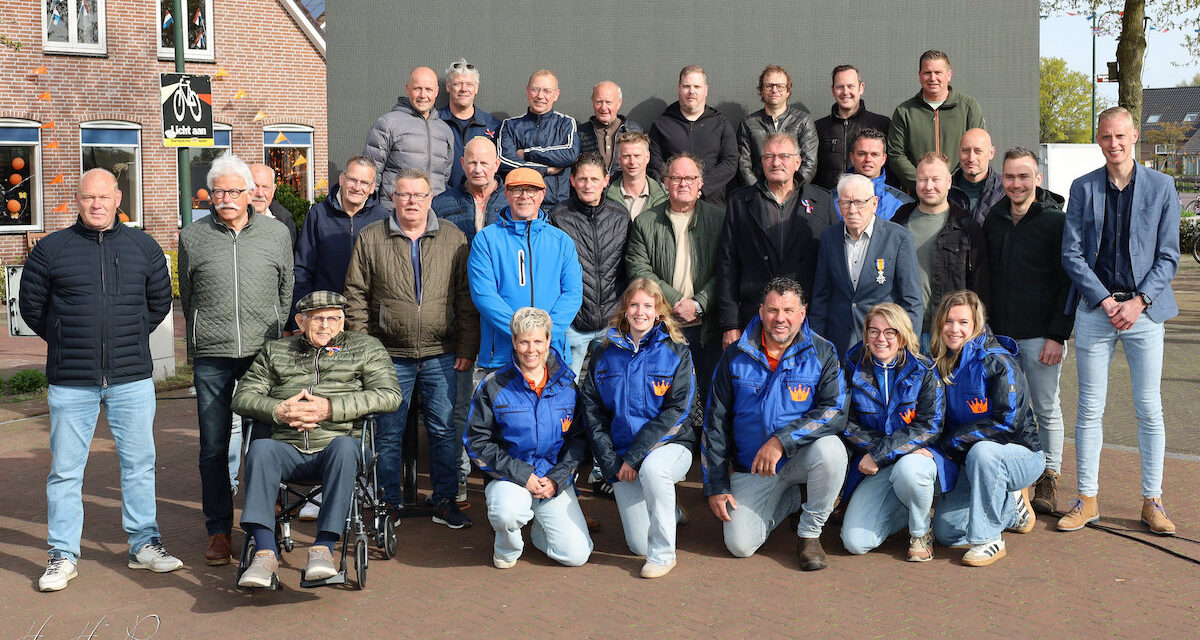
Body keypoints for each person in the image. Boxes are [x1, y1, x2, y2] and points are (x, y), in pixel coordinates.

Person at [21, 168, 180, 592]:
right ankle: (62, 555)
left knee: (139, 464)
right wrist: (66, 337)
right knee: (66, 472)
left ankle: (144, 545)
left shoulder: (143, 247)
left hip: (131, 378)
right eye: (88, 197)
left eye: (104, 197)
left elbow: (159, 302)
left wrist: (126, 336)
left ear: (117, 198)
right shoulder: (51, 250)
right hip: (72, 381)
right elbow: (32, 308)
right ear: (77, 199)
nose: (96, 204)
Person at [1058, 106, 1181, 535]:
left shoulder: (1163, 187)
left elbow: (1169, 256)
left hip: (1145, 314)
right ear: (1099, 140)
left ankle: (1152, 500)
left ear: (1134, 137)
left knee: (1149, 408)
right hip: (1096, 313)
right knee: (1090, 407)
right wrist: (1106, 300)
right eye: (1106, 137)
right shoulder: (1082, 187)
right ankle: (1087, 497)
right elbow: (1071, 254)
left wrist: (1139, 301)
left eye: (1121, 136)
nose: (1114, 144)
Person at [233, 291, 403, 588]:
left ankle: (323, 547)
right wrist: (278, 410)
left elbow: (390, 395)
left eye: (334, 318)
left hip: (340, 445)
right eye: (318, 318)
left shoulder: (366, 348)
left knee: (345, 446)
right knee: (259, 448)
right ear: (300, 321)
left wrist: (330, 408)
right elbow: (243, 396)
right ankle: (264, 553)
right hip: (287, 445)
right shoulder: (276, 351)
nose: (327, 325)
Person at [343, 168, 479, 528]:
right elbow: (355, 297)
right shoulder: (371, 239)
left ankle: (445, 499)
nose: (412, 202)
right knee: (388, 432)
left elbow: (465, 298)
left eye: (419, 195)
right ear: (392, 199)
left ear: (430, 198)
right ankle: (388, 503)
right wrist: (367, 350)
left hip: (442, 351)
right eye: (404, 195)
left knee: (444, 430)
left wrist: (466, 344)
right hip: (389, 355)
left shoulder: (453, 238)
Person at [179, 152, 293, 567]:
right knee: (213, 448)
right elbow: (187, 295)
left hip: (262, 356)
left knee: (262, 445)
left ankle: (261, 524)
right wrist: (199, 338)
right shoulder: (193, 236)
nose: (226, 197)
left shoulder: (276, 234)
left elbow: (287, 285)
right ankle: (218, 531)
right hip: (212, 355)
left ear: (250, 194)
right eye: (219, 190)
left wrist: (277, 333)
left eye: (234, 190)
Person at [703, 277, 848, 570]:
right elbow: (714, 423)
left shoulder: (823, 352)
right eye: (772, 310)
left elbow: (835, 410)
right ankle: (790, 500)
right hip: (752, 467)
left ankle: (809, 532)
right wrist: (715, 484)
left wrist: (781, 440)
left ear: (802, 313)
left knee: (832, 451)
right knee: (740, 546)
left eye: (788, 310)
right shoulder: (735, 356)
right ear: (760, 311)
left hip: (800, 456)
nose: (780, 318)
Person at [581, 279, 695, 578]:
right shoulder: (603, 351)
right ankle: (669, 509)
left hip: (670, 447)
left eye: (648, 305)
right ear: (625, 310)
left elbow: (678, 409)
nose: (640, 312)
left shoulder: (677, 349)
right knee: (636, 544)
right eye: (634, 305)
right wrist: (612, 462)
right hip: (621, 458)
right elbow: (593, 412)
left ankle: (663, 555)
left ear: (659, 312)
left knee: (654, 470)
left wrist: (634, 457)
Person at [465, 307, 593, 568]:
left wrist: (557, 479)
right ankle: (506, 549)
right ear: (513, 342)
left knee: (576, 556)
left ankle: (538, 527)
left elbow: (578, 440)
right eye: (523, 341)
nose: (530, 349)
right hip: (510, 476)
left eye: (537, 341)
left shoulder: (567, 385)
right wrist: (522, 475)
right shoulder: (494, 384)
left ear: (548, 340)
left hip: (551, 479)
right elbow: (477, 441)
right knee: (506, 513)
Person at [982, 147, 1072, 514]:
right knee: (1005, 407)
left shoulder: (1055, 222)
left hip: (1040, 336)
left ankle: (1049, 476)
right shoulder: (994, 220)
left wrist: (1057, 335)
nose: (1016, 184)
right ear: (1001, 180)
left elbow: (1068, 283)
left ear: (1037, 178)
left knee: (1046, 407)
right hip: (1001, 337)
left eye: (1023, 176)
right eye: (1009, 177)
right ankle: (1014, 476)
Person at [929, 290, 1043, 566]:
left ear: (977, 324)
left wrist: (951, 443)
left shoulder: (999, 362)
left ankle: (990, 539)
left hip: (1019, 455)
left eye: (963, 322)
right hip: (970, 459)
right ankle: (1011, 509)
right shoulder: (938, 361)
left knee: (984, 452)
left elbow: (1008, 423)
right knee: (947, 533)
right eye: (948, 321)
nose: (954, 329)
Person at [839, 303, 946, 562]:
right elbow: (845, 423)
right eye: (873, 331)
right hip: (876, 464)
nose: (881, 339)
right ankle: (906, 511)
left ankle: (921, 532)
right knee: (855, 542)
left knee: (910, 470)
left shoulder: (926, 371)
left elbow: (930, 426)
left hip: (914, 460)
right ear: (865, 335)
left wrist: (879, 454)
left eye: (890, 332)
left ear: (903, 335)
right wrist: (882, 453)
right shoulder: (853, 367)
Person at [717, 132, 838, 346]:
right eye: (769, 157)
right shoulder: (739, 202)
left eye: (784, 156)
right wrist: (730, 324)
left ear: (798, 161)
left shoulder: (822, 201)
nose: (776, 162)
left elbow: (833, 267)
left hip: (808, 319)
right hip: (754, 317)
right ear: (761, 162)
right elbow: (727, 265)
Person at [625, 153, 725, 401]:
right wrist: (678, 302)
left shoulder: (720, 219)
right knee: (665, 398)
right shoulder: (645, 222)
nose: (684, 184)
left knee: (709, 398)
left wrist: (699, 304)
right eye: (676, 178)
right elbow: (639, 270)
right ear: (665, 182)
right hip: (664, 326)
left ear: (700, 182)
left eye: (690, 178)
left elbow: (727, 269)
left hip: (707, 328)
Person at [468, 167, 583, 370]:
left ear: (542, 194)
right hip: (502, 355)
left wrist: (543, 337)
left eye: (531, 190)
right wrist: (522, 336)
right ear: (506, 194)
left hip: (551, 352)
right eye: (517, 190)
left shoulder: (561, 241)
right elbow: (484, 295)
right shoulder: (486, 240)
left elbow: (572, 294)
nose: (524, 196)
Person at [810, 173, 923, 359]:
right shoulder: (829, 237)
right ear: (838, 205)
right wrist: (818, 345)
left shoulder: (898, 238)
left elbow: (912, 301)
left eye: (860, 202)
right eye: (846, 202)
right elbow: (821, 297)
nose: (852, 210)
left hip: (884, 345)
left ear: (874, 203)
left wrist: (908, 349)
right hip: (838, 345)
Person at [890, 152, 988, 350]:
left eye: (935, 179)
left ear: (949, 181)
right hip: (906, 333)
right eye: (922, 180)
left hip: (951, 337)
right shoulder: (898, 222)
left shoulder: (967, 227)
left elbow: (980, 284)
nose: (929, 186)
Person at [550, 152, 630, 375]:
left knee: (611, 388)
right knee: (566, 388)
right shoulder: (558, 217)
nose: (588, 185)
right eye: (583, 179)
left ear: (605, 181)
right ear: (573, 180)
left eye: (595, 179)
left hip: (611, 324)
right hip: (573, 323)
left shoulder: (620, 216)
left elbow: (627, 267)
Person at [291, 155, 391, 326]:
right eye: (352, 179)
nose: (357, 187)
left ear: (372, 187)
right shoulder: (318, 215)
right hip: (324, 317)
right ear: (342, 179)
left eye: (364, 182)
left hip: (368, 319)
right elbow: (302, 270)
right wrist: (299, 321)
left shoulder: (383, 218)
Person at [887, 50, 986, 189]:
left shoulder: (968, 107)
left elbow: (978, 149)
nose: (933, 78)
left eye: (938, 72)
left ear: (949, 75)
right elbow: (896, 155)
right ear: (919, 75)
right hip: (917, 195)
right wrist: (924, 182)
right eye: (927, 73)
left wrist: (952, 183)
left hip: (959, 193)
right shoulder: (904, 112)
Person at [362, 66, 455, 202]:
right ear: (407, 89)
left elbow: (444, 177)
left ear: (436, 92)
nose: (423, 95)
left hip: (433, 214)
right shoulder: (387, 124)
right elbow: (370, 175)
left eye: (428, 89)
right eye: (417, 88)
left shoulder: (445, 131)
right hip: (395, 212)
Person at [648, 65, 738, 205]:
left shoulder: (721, 124)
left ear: (705, 90)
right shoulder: (662, 124)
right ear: (679, 89)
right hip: (672, 203)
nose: (691, 91)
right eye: (686, 86)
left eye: (697, 86)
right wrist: (677, 186)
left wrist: (700, 186)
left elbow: (730, 162)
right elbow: (655, 163)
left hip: (712, 204)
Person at [497, 70, 580, 207]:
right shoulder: (510, 126)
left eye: (547, 91)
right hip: (520, 205)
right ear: (527, 91)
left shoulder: (566, 123)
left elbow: (569, 154)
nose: (540, 96)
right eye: (536, 89)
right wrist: (545, 169)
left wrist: (527, 153)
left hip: (557, 208)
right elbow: (505, 161)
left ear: (556, 95)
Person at [736, 65, 818, 187]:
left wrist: (793, 191)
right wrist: (758, 192)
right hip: (757, 196)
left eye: (780, 86)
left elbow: (809, 163)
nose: (774, 90)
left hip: (794, 195)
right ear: (761, 90)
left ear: (788, 91)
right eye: (769, 86)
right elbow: (743, 164)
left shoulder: (803, 121)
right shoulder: (748, 123)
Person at [813, 65, 892, 190]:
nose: (845, 92)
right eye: (840, 87)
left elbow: (891, 170)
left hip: (871, 201)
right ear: (833, 90)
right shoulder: (818, 128)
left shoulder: (881, 124)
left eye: (851, 86)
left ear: (861, 88)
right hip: (829, 202)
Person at [438, 59, 501, 191]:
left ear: (476, 89)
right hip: (443, 198)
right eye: (458, 84)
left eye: (469, 84)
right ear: (448, 87)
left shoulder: (494, 126)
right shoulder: (434, 123)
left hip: (482, 199)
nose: (464, 89)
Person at [432, 136, 507, 241]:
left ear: (496, 165)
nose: (478, 170)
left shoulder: (512, 202)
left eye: (484, 163)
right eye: (472, 163)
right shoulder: (440, 203)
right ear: (462, 163)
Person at [844, 128, 912, 222]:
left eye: (874, 154)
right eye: (862, 154)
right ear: (852, 157)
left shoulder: (903, 203)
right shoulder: (831, 199)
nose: (868, 159)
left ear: (883, 159)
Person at [578, 81, 642, 175]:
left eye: (609, 102)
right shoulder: (581, 133)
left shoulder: (634, 131)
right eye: (599, 102)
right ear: (593, 103)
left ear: (619, 103)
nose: (603, 108)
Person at [604, 131, 668, 219]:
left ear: (647, 157)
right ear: (619, 159)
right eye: (626, 156)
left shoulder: (666, 196)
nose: (632, 162)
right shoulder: (604, 197)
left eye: (637, 156)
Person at [948, 128, 1004, 225]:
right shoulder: (945, 190)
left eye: (978, 151)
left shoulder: (1005, 191)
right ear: (958, 152)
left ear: (991, 153)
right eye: (965, 151)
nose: (971, 158)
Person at [249, 163, 298, 245]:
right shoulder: (230, 221)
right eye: (254, 186)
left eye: (265, 187)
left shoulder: (286, 223)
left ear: (273, 190)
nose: (260, 193)